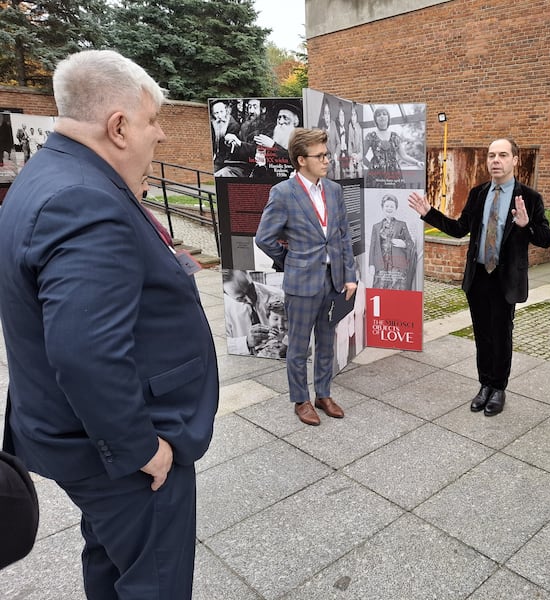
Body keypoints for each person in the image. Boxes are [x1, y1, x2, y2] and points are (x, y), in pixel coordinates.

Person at [0, 50, 219, 598]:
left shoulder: (48, 175)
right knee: (155, 583)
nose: (162, 135)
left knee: (110, 561)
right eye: (152, 121)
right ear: (118, 127)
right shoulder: (84, 199)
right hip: (120, 456)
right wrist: (141, 449)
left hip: (80, 442)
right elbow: (84, 351)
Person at [408, 137, 550, 416]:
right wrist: (429, 213)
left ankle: (499, 388)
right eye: (491, 156)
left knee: (501, 335)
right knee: (483, 335)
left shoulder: (530, 199)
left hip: (505, 278)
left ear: (515, 160)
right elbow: (460, 229)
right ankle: (484, 384)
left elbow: (546, 239)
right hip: (479, 277)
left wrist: (527, 226)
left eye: (502, 155)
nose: (495, 161)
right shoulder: (478, 193)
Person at [255, 128, 357, 426]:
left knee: (326, 341)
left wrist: (349, 276)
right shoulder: (283, 193)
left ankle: (323, 394)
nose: (327, 160)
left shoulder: (334, 191)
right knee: (298, 345)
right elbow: (264, 238)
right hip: (301, 283)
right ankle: (301, 400)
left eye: (327, 154)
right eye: (320, 156)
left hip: (333, 280)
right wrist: (290, 259)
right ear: (301, 160)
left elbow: (342, 236)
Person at [222, 269, 284, 356]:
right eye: (241, 298)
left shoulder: (279, 296)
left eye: (250, 289)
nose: (250, 300)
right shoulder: (223, 307)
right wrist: (246, 342)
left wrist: (286, 345)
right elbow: (220, 345)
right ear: (227, 294)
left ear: (250, 277)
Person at [364, 106, 424, 188]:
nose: (382, 116)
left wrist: (417, 162)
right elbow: (362, 155)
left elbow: (404, 156)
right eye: (379, 115)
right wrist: (371, 167)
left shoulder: (394, 136)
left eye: (384, 114)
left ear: (388, 118)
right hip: (376, 175)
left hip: (394, 174)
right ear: (376, 119)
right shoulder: (370, 136)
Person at [369, 193, 417, 290]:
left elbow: (410, 243)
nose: (389, 208)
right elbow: (372, 247)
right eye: (387, 206)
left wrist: (403, 244)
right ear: (382, 207)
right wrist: (371, 264)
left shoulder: (402, 225)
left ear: (395, 208)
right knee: (381, 291)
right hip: (381, 264)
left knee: (397, 292)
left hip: (398, 266)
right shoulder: (376, 227)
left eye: (392, 206)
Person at [214, 98, 271, 177]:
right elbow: (238, 150)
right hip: (239, 165)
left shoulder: (267, 128)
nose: (251, 111)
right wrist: (231, 144)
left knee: (223, 174)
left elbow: (259, 151)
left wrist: (239, 143)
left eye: (255, 107)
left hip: (254, 169)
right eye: (250, 107)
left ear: (263, 109)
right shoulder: (245, 126)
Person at [210, 100, 240, 172]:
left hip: (227, 160)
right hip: (215, 156)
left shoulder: (233, 125)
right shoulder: (213, 123)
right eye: (216, 113)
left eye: (221, 112)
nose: (220, 116)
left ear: (226, 111)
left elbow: (230, 149)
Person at [346, 104, 363, 178]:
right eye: (352, 115)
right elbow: (349, 145)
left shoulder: (360, 129)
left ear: (357, 116)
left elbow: (361, 148)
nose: (353, 118)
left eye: (354, 115)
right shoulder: (349, 127)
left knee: (360, 170)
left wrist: (358, 157)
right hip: (352, 156)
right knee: (351, 169)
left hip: (359, 156)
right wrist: (352, 155)